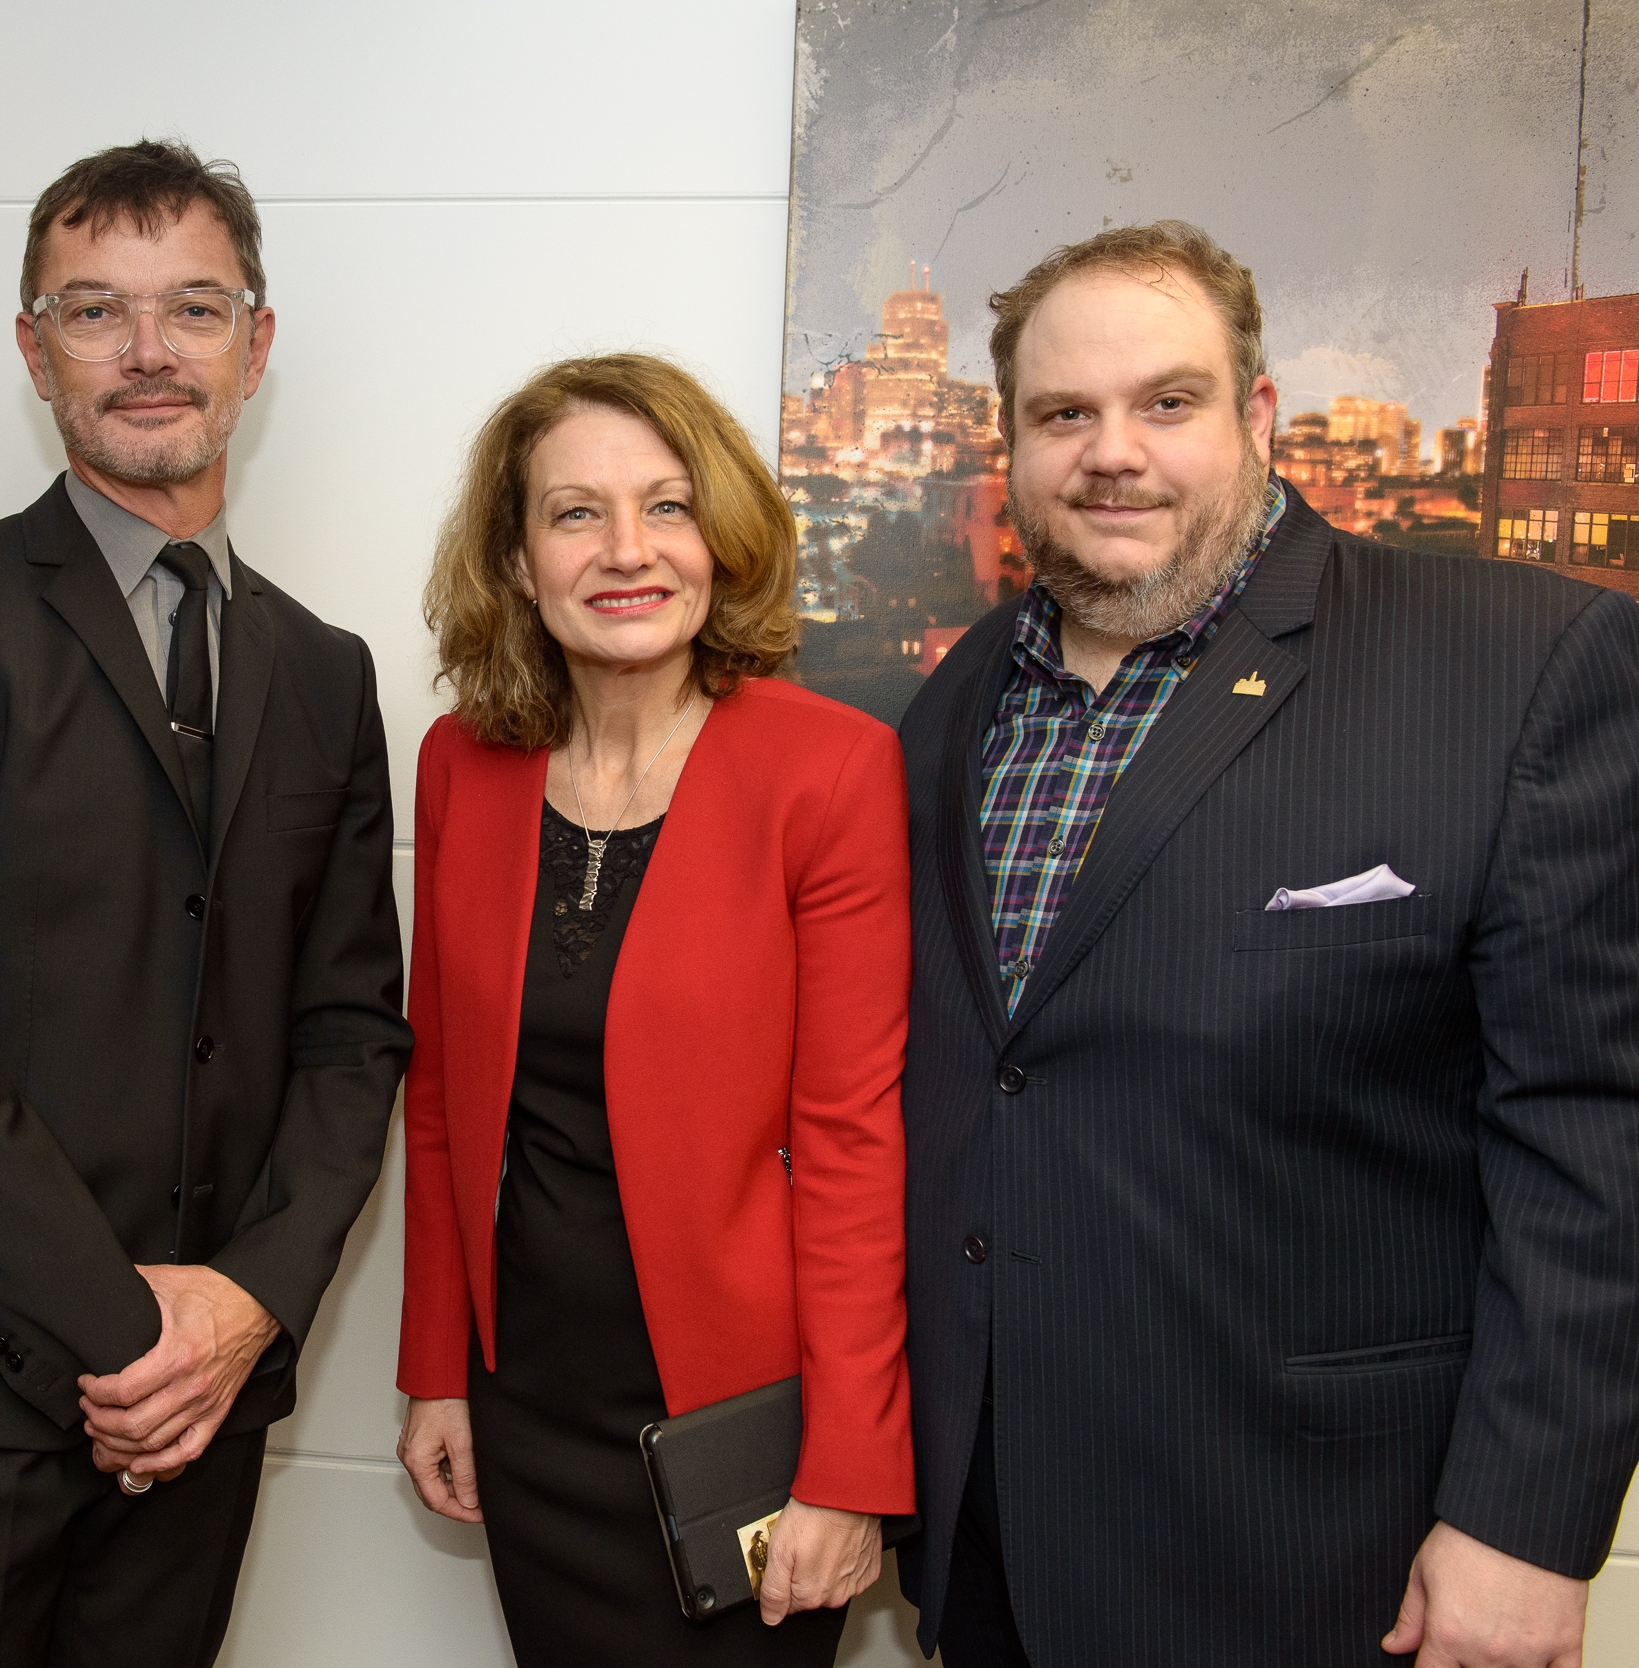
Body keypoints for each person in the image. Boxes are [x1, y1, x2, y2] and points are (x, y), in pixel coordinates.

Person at [895, 219, 1639, 1668]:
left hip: (1331, 1556)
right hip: (997, 1542)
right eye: (1065, 414)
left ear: (1258, 415)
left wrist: (1527, 1522)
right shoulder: (960, 696)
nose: (1113, 453)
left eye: (1166, 402)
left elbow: (1595, 1135)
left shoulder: (1517, 666)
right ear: (1014, 445)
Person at [0, 138, 411, 1666]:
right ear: (35, 350)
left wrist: (245, 1308)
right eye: (95, 311)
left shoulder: (326, 673)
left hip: (208, 1396)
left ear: (255, 347)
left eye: (194, 308)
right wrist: (135, 1336)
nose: (149, 351)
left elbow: (352, 1035)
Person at [394, 354, 916, 1666]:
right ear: (517, 562)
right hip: (527, 1406)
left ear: (719, 540)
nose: (628, 550)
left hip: (742, 1421)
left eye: (668, 506)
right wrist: (437, 1370)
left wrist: (851, 1463)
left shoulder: (830, 769)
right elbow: (442, 1104)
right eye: (576, 513)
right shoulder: (462, 763)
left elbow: (853, 1144)